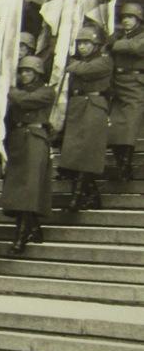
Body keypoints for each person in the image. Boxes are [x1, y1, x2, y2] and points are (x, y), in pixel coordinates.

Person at [0, 56, 55, 254]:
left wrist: (10, 91)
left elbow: (27, 101)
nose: (24, 75)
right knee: (19, 190)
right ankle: (34, 229)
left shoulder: (46, 91)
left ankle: (20, 237)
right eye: (22, 71)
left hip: (35, 139)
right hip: (17, 140)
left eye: (29, 71)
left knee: (28, 189)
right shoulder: (17, 92)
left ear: (38, 73)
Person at [60, 24, 113, 212]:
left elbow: (84, 70)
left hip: (93, 107)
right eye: (80, 43)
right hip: (77, 108)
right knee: (75, 155)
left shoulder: (104, 61)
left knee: (85, 155)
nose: (82, 47)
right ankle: (92, 197)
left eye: (87, 43)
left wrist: (71, 63)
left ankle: (77, 200)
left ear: (96, 44)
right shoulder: (79, 62)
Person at [109, 2, 144, 181]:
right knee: (114, 128)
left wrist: (115, 43)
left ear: (138, 20)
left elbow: (136, 48)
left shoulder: (139, 36)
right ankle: (120, 163)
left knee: (129, 126)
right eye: (124, 17)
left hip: (136, 84)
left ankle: (126, 165)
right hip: (118, 84)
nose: (126, 21)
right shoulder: (119, 35)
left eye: (130, 17)